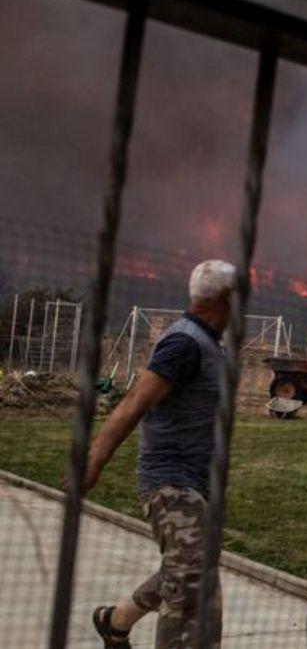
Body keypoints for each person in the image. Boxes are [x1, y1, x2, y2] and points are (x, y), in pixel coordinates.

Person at [85, 260, 235, 649]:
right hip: (171, 481)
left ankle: (115, 620)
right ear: (225, 298)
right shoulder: (184, 343)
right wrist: (94, 461)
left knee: (189, 568)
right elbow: (135, 402)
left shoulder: (206, 340)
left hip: (197, 482)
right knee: (191, 584)